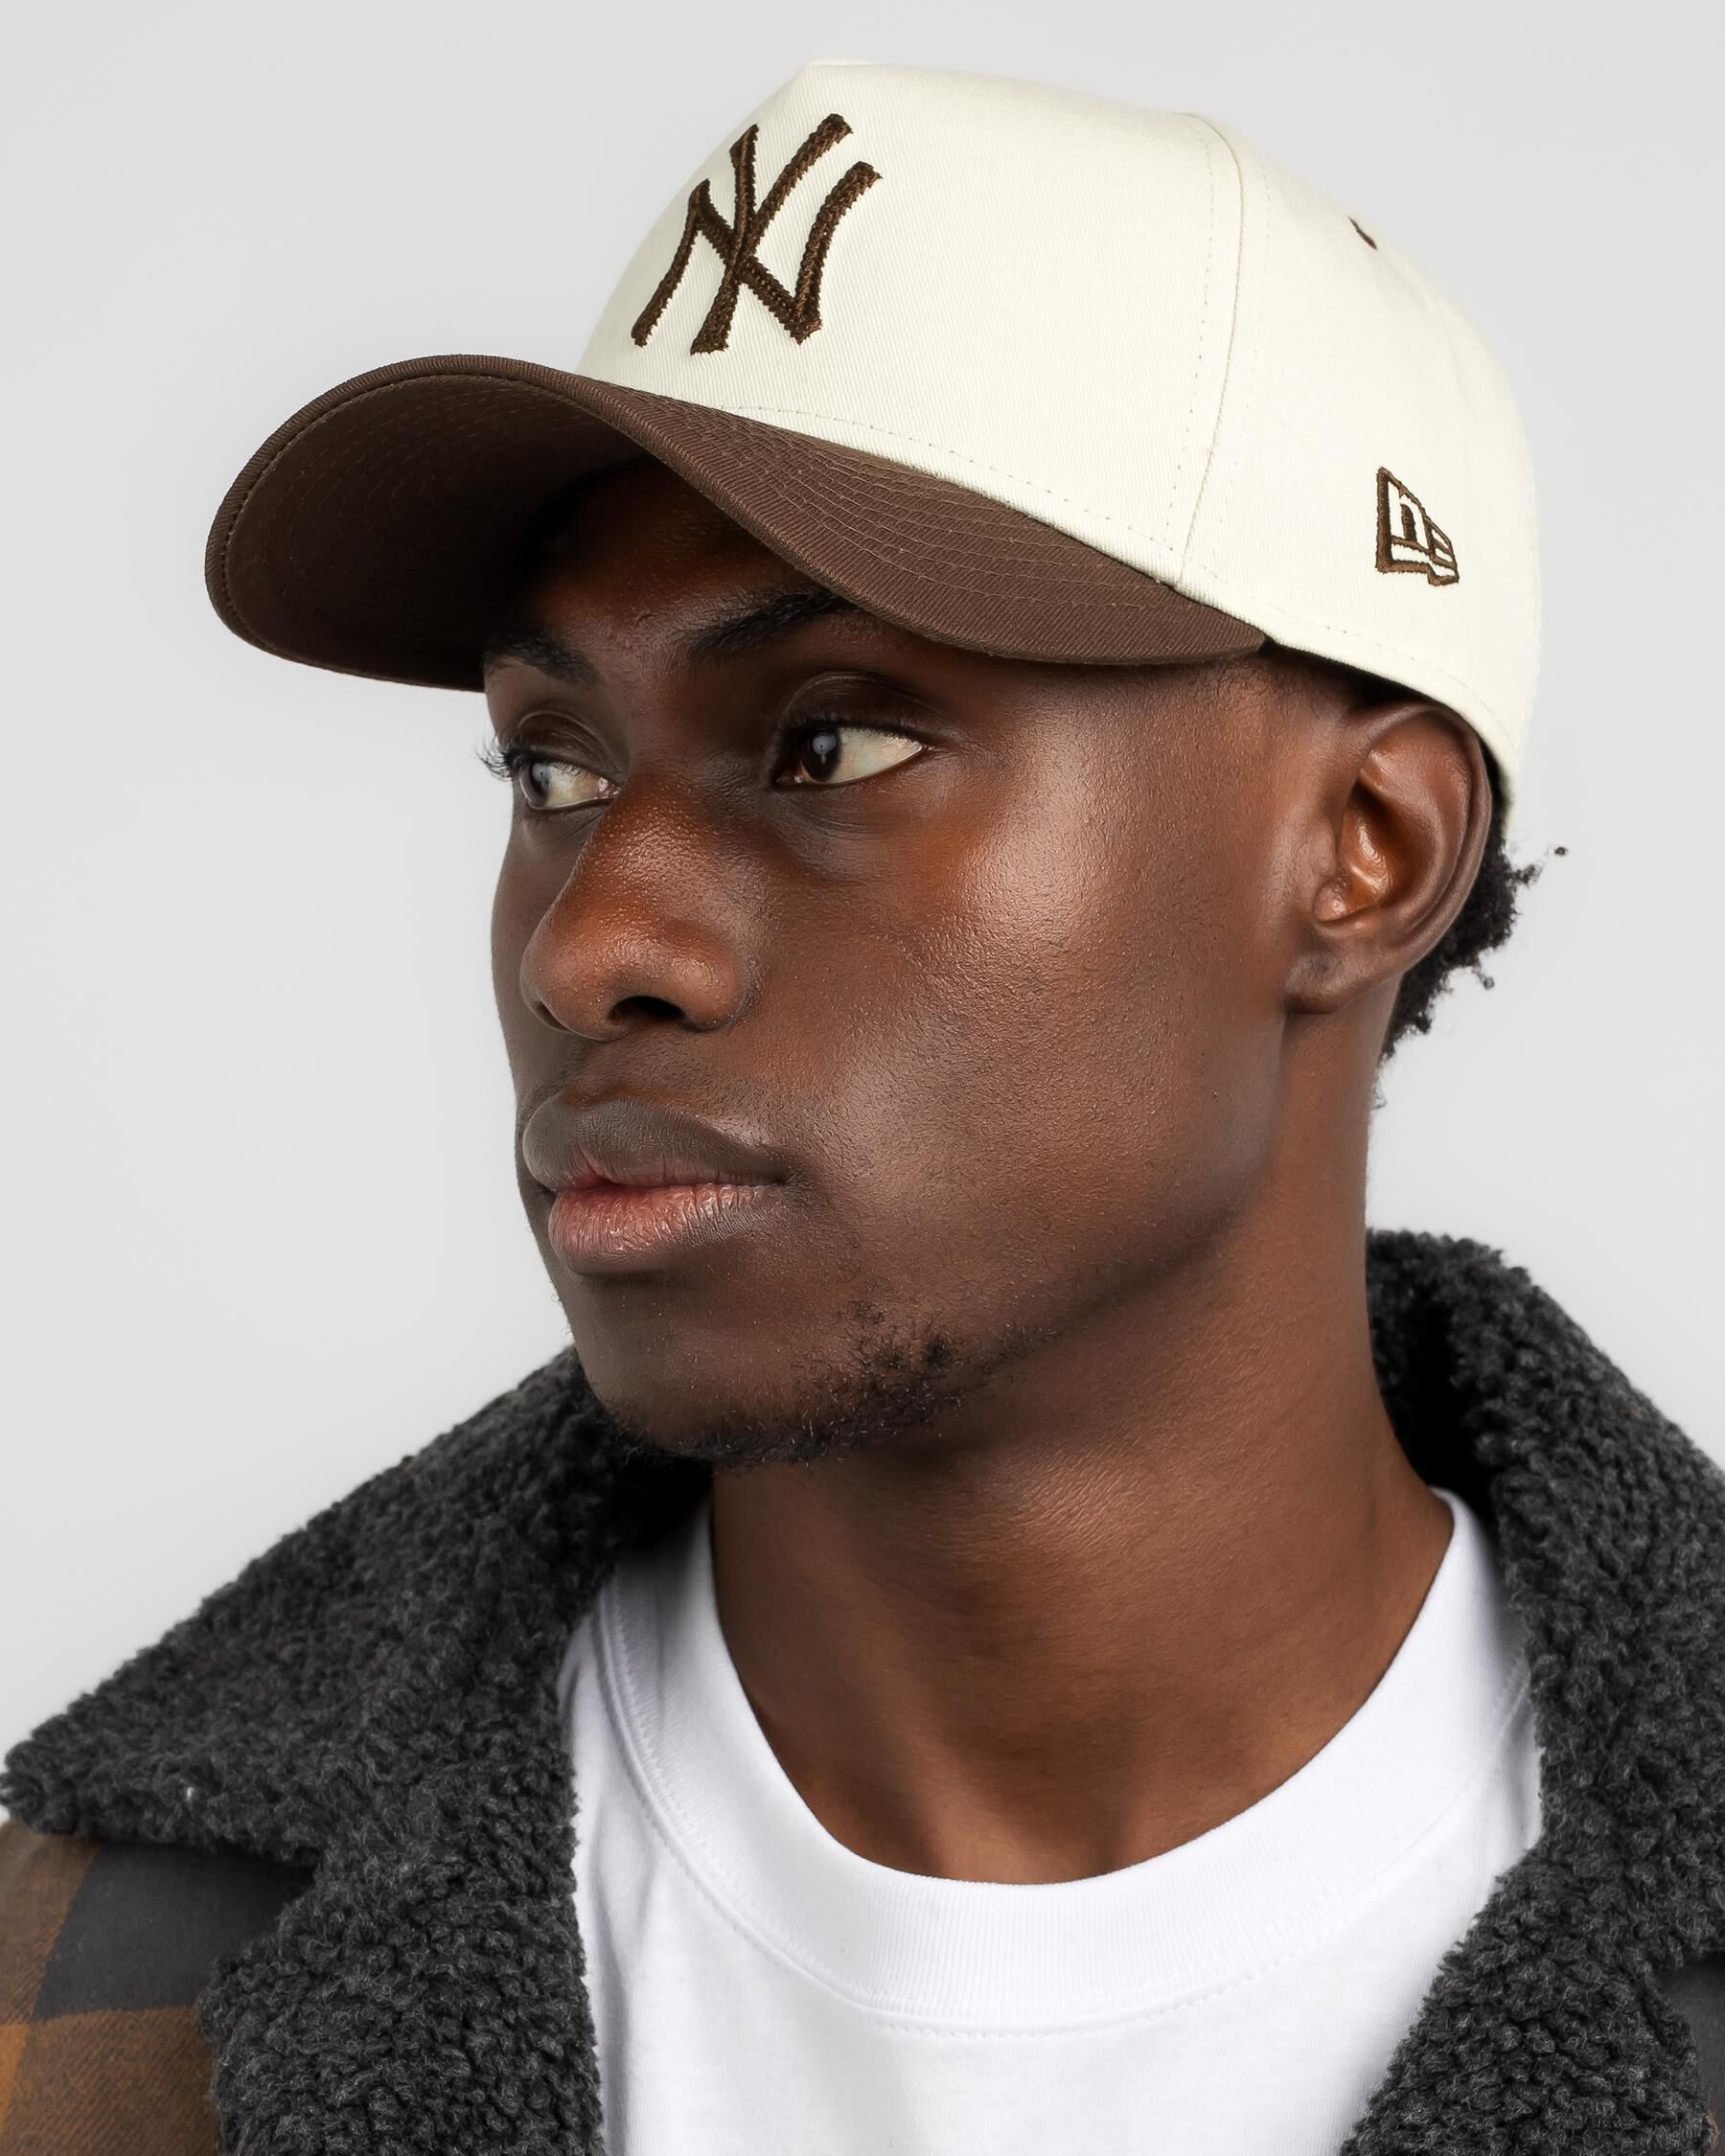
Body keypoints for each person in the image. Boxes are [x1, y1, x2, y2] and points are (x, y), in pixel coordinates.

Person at [3, 57, 1721, 2156]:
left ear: (1365, 851)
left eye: (833, 746)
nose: (591, 944)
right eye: (553, 766)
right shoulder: (74, 1985)